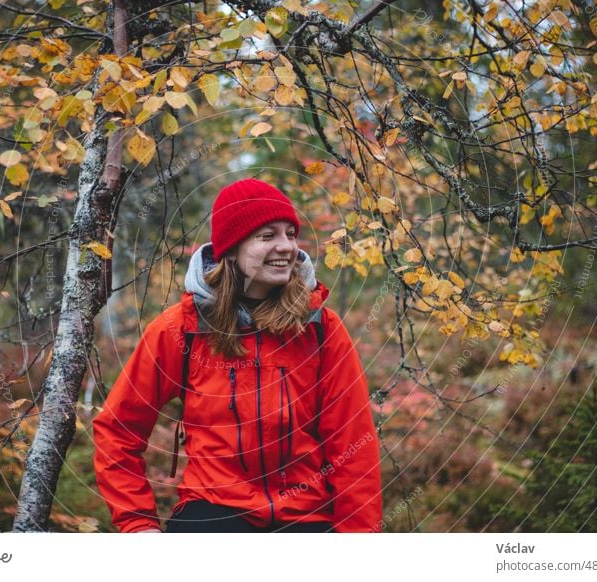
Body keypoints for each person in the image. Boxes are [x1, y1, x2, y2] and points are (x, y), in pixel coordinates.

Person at [93, 178, 382, 533]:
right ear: (231, 248)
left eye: (291, 234)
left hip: (307, 514)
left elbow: (353, 443)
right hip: (212, 510)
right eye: (268, 236)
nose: (286, 246)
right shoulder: (182, 328)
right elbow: (117, 429)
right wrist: (137, 525)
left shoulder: (319, 326)